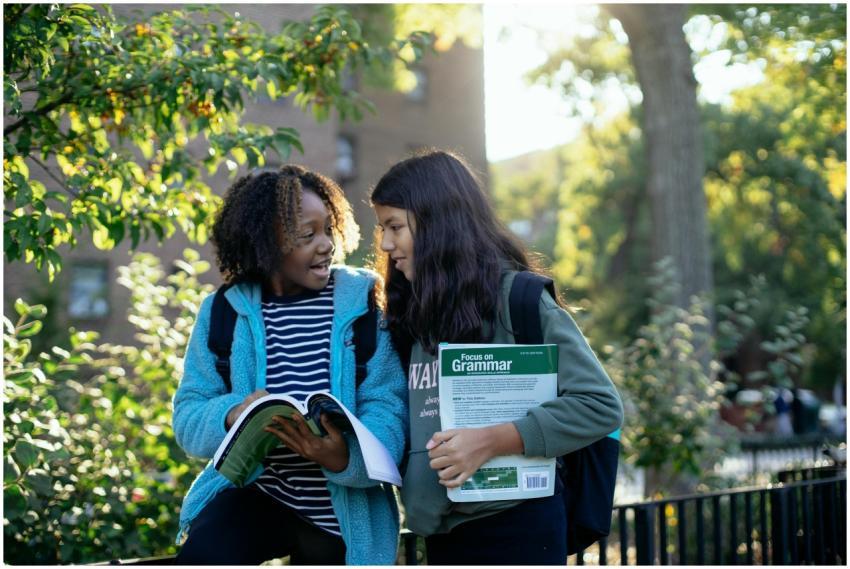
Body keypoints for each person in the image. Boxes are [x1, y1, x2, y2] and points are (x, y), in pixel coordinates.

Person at [370, 149, 624, 565]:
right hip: (441, 537)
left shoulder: (518, 300)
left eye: (395, 226)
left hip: (519, 530)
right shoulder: (412, 314)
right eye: (382, 228)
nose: (385, 244)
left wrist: (492, 440)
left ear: (438, 223)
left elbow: (600, 405)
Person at [172, 165, 407, 565]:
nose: (326, 245)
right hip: (259, 493)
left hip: (342, 515)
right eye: (306, 235)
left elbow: (389, 405)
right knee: (203, 553)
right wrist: (233, 414)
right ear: (265, 243)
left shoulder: (364, 299)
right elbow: (189, 415)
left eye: (328, 229)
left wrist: (343, 457)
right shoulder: (222, 311)